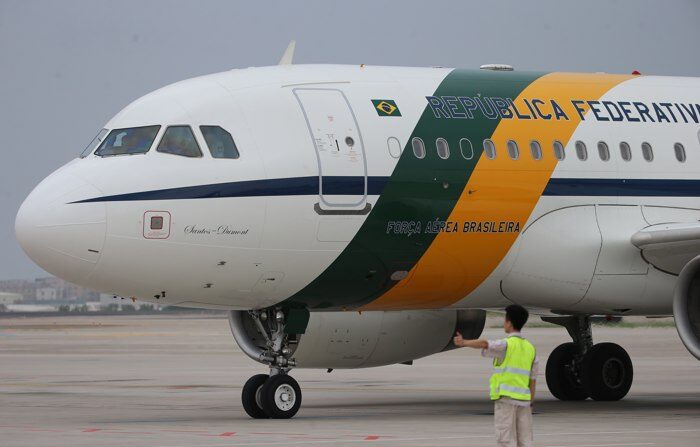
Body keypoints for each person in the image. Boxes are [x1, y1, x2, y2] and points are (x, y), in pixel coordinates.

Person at [453, 305, 538, 447]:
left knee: (506, 441)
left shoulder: (506, 345)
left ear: (509, 323)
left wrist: (464, 342)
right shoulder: (530, 348)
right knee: (525, 441)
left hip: (506, 400)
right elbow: (533, 380)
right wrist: (531, 404)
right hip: (524, 402)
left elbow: (485, 344)